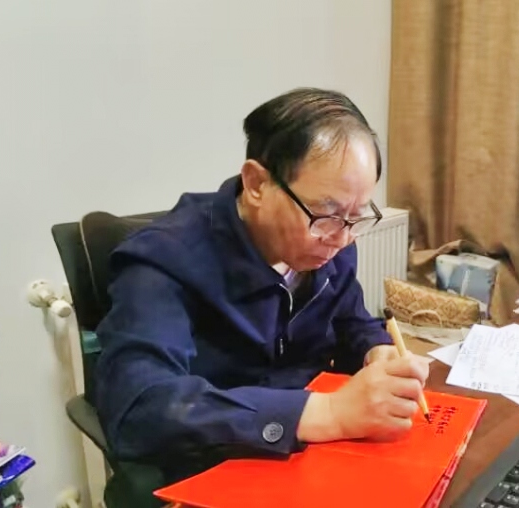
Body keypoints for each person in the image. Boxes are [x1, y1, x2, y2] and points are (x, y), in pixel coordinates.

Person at [95, 87, 431, 482]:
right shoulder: (163, 259)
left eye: (356, 216)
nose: (341, 238)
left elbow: (350, 319)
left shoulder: (332, 242)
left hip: (315, 457)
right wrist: (329, 412)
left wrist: (376, 350)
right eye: (325, 212)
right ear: (256, 183)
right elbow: (139, 407)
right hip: (215, 466)